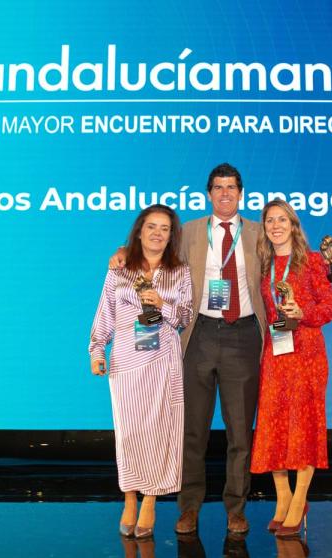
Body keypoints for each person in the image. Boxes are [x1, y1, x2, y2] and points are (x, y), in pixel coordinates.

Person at [110, 163, 266, 534]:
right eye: (218, 187)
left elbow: (290, 255)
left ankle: (236, 509)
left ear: (241, 193)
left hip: (243, 336)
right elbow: (152, 247)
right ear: (208, 194)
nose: (225, 193)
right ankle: (189, 508)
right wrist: (122, 250)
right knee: (191, 430)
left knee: (240, 433)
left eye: (231, 187)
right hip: (198, 335)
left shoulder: (259, 233)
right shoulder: (190, 231)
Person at [90, 204, 193, 539]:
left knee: (159, 430)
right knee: (129, 432)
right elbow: (105, 312)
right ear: (139, 231)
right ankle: (130, 497)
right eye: (151, 226)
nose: (157, 233)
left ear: (171, 235)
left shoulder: (180, 271)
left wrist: (163, 304)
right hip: (126, 361)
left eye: (164, 228)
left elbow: (185, 317)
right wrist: (97, 349)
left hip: (163, 361)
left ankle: (150, 499)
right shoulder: (119, 269)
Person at [249, 199, 332, 538]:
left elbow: (328, 308)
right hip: (276, 352)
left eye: (282, 220)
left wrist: (303, 313)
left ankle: (300, 499)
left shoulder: (313, 261)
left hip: (308, 353)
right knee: (274, 423)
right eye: (270, 220)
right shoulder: (264, 265)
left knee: (304, 423)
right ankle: (283, 496)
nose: (276, 226)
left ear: (293, 225)